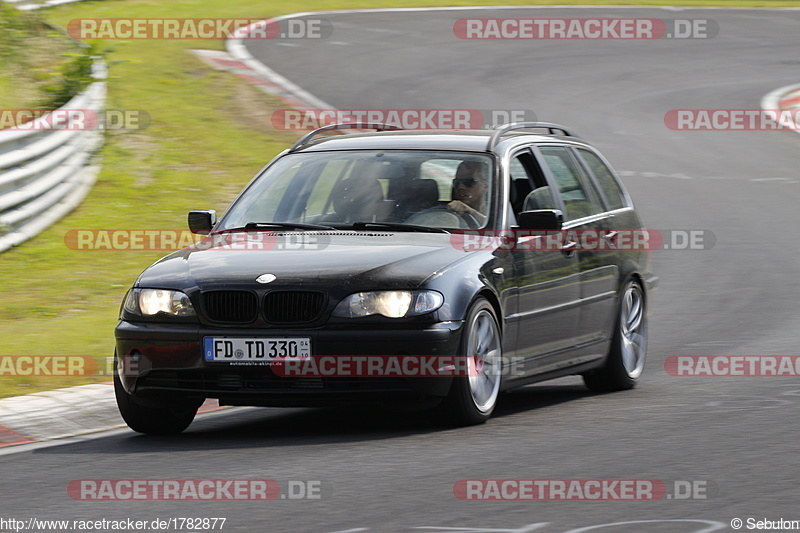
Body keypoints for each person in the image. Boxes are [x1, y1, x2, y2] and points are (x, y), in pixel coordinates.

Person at [448, 160, 489, 224]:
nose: (460, 187)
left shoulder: (499, 212)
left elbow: (495, 228)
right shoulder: (445, 213)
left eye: (468, 182)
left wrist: (471, 212)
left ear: (486, 186)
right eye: (457, 182)